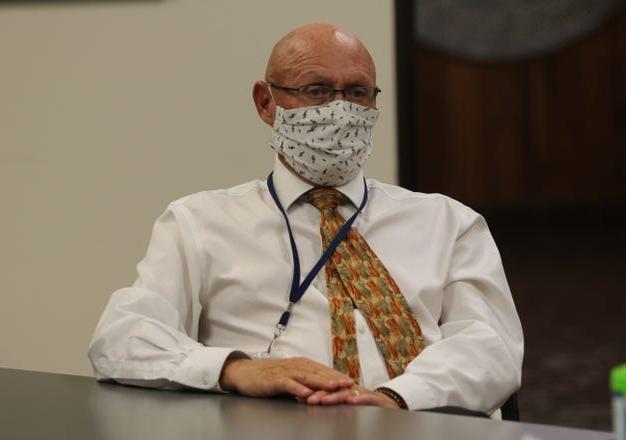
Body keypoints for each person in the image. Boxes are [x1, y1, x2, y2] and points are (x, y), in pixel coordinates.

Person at [88, 23, 523, 415]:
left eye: (356, 92)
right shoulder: (200, 221)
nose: (339, 109)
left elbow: (492, 347)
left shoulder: (448, 221)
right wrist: (234, 370)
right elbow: (122, 337)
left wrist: (395, 398)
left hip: (425, 425)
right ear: (266, 102)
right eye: (316, 90)